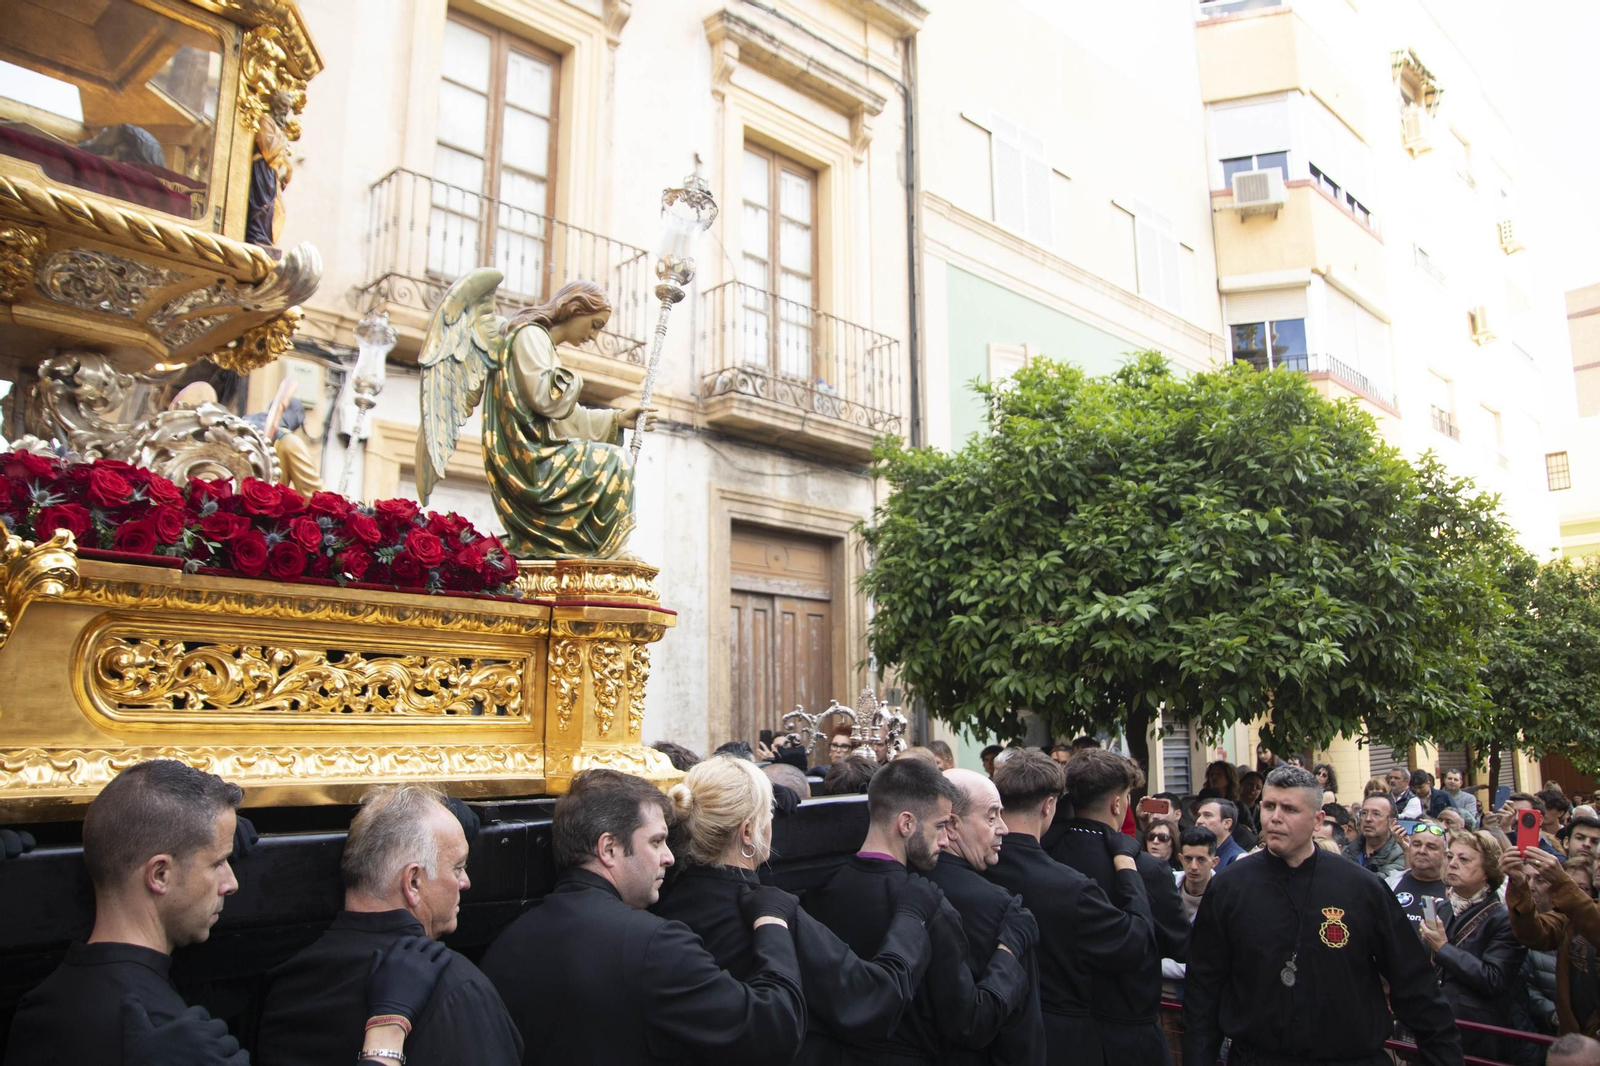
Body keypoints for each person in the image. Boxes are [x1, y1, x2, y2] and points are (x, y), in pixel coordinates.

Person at [480, 768, 808, 1064]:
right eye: (656, 842)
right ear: (608, 849)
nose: (668, 857)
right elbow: (772, 1029)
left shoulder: (506, 944)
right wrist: (772, 924)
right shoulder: (655, 945)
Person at [654, 755, 942, 1061]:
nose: (773, 822)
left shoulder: (665, 897)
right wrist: (913, 918)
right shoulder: (770, 913)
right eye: (769, 814)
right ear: (748, 832)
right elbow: (873, 997)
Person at [1182, 765, 1463, 1066]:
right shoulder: (1228, 887)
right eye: (1269, 806)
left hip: (1349, 1057)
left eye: (1289, 809)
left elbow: (1414, 984)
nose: (1275, 818)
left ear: (1317, 820)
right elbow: (1204, 991)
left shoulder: (1361, 887)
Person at [255, 784, 524, 1066]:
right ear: (413, 882)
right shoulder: (457, 987)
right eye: (458, 867)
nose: (465, 882)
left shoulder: (288, 986)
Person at [805, 757, 1036, 1065]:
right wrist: (1009, 950)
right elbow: (970, 1024)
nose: (945, 839)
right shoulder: (931, 907)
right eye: (940, 826)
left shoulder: (820, 891)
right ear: (907, 823)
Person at [987, 750, 1156, 1065]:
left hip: (991, 1035)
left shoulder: (976, 868)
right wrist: (1127, 867)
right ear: (1049, 804)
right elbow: (1136, 941)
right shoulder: (1070, 886)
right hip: (1062, 1041)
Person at [1046, 748, 1187, 1064]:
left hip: (1057, 1035)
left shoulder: (1045, 855)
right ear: (1117, 803)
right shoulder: (1146, 869)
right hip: (1128, 1036)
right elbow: (1178, 944)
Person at [929, 768, 1045, 1063]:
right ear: (952, 825)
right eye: (992, 817)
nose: (1004, 828)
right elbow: (1020, 1028)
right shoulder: (1001, 909)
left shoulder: (904, 882)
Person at [1420, 829, 1525, 1063]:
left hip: (1476, 1036)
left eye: (1464, 859)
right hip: (1435, 1027)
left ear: (1487, 870)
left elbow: (1493, 979)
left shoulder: (1504, 918)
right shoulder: (1442, 909)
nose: (1453, 864)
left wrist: (1443, 948)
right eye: (1450, 857)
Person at [1504, 846, 1600, 1041]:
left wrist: (1562, 882)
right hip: (1574, 1037)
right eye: (1598, 858)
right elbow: (1534, 935)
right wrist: (1518, 883)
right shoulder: (1576, 915)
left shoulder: (1583, 909)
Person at [1385, 822, 1450, 933]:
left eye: (1431, 847)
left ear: (1445, 855)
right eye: (1416, 844)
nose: (1421, 851)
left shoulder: (1454, 892)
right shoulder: (1390, 884)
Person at [1342, 794, 1407, 877]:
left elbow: (1383, 882)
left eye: (1376, 814)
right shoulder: (1346, 850)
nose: (1368, 819)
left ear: (1392, 822)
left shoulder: (1401, 854)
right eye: (1364, 813)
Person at [1194, 799, 1246, 869]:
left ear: (1227, 823)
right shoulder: (1196, 852)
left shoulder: (1237, 858)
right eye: (1198, 816)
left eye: (1207, 815)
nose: (1199, 821)